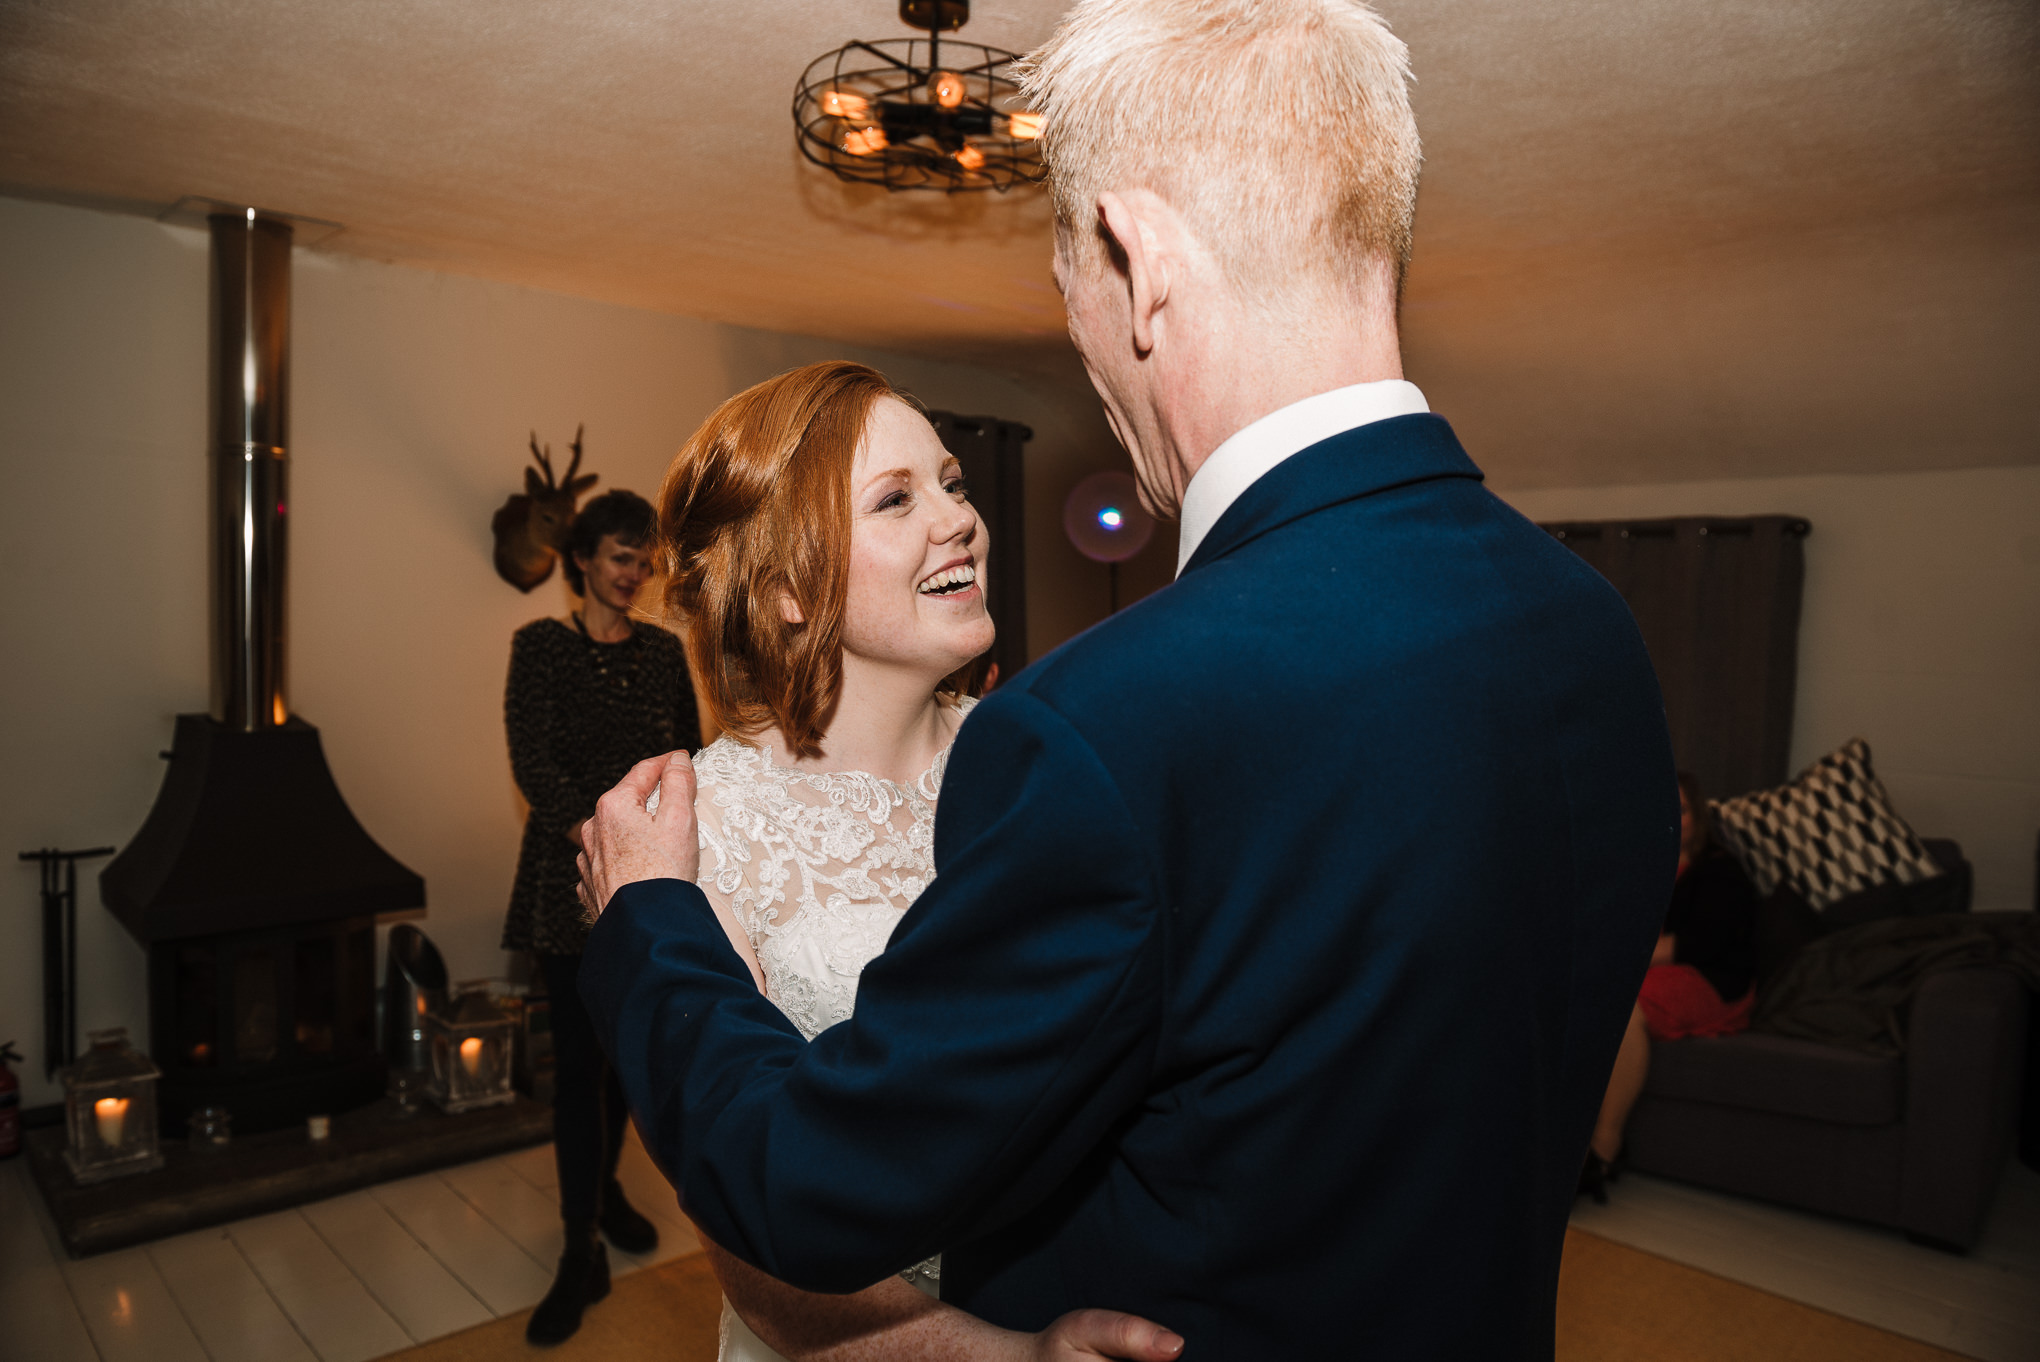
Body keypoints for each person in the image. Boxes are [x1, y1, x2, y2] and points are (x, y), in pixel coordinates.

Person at [578, 1, 1678, 1355]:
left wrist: (643, 916)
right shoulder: (1589, 626)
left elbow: (808, 1179)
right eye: (895, 497)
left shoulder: (1098, 729)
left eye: (1072, 300)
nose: (1089, 365)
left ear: (1140, 260)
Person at [633, 359, 1182, 1361]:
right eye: (896, 498)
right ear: (789, 590)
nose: (959, 519)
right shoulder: (690, 841)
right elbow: (756, 1242)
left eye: (954, 484)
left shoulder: (1049, 762)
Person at [501, 487, 701, 1344]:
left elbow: (686, 756)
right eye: (622, 557)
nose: (636, 574)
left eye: (645, 560)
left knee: (625, 1060)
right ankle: (578, 1247)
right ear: (582, 558)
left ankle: (607, 1190)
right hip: (564, 883)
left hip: (643, 887)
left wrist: (646, 859)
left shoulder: (662, 653)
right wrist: (600, 842)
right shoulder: (540, 645)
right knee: (579, 1071)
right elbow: (532, 763)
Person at [1582, 771, 1759, 1200]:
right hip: (1662, 970)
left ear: (1697, 815)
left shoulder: (1718, 871)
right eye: (1664, 810)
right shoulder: (1642, 868)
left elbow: (1692, 944)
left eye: (1681, 810)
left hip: (1714, 980)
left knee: (1623, 1006)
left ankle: (1605, 1146)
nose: (1673, 819)